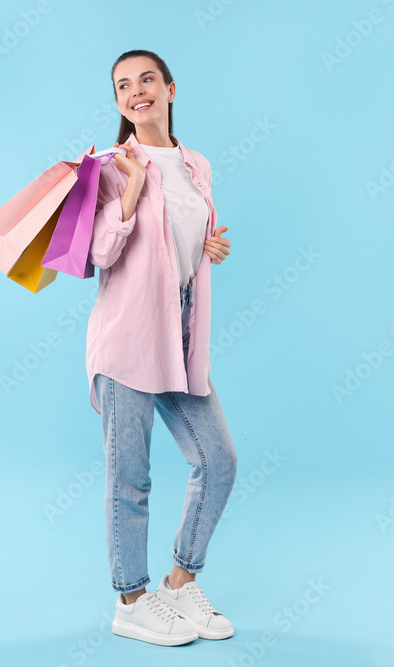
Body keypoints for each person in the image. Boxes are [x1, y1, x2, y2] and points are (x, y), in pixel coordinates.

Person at [86, 49, 237, 647]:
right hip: (126, 338)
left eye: (147, 79)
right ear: (118, 102)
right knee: (131, 477)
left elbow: (184, 244)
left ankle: (178, 584)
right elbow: (101, 252)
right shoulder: (108, 166)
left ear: (171, 89)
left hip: (178, 339)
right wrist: (134, 186)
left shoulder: (197, 164)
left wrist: (211, 249)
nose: (136, 91)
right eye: (124, 85)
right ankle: (131, 599)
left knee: (217, 460)